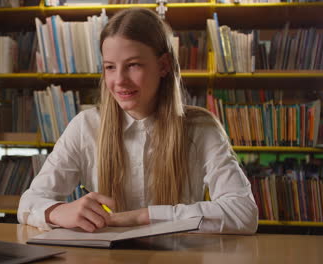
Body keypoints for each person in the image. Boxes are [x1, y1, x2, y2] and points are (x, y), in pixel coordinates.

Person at [18, 7, 258, 234]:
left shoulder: (200, 128)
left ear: (163, 66)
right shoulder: (86, 126)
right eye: (110, 67)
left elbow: (243, 212)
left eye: (133, 65)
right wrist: (58, 212)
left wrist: (142, 216)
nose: (119, 80)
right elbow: (29, 203)